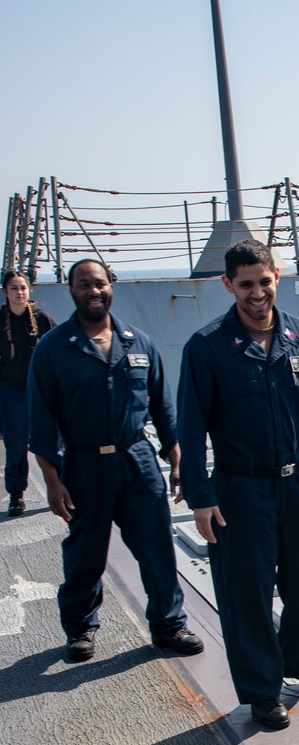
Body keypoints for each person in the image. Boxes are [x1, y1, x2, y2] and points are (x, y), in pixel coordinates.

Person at [177, 240, 299, 731]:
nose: (256, 293)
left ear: (277, 276)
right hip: (238, 489)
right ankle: (262, 691)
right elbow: (190, 428)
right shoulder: (206, 347)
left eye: (264, 281)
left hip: (298, 482)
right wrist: (202, 498)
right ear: (228, 285)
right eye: (245, 284)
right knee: (247, 595)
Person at [27, 258, 203, 663]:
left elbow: (165, 409)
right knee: (85, 553)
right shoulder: (53, 349)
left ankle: (169, 624)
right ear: (71, 290)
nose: (93, 291)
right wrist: (52, 479)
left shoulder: (138, 343)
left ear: (112, 286)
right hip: (83, 465)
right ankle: (80, 629)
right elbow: (41, 420)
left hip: (137, 460)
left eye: (100, 283)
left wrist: (176, 461)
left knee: (157, 549)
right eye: (84, 284)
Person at [1, 269, 57, 516]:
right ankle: (16, 495)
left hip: (41, 393)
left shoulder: (42, 319)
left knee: (53, 443)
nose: (19, 292)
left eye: (22, 287)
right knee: (15, 445)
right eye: (13, 288)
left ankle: (61, 488)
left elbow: (59, 351)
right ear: (5, 292)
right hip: (12, 392)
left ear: (29, 290)